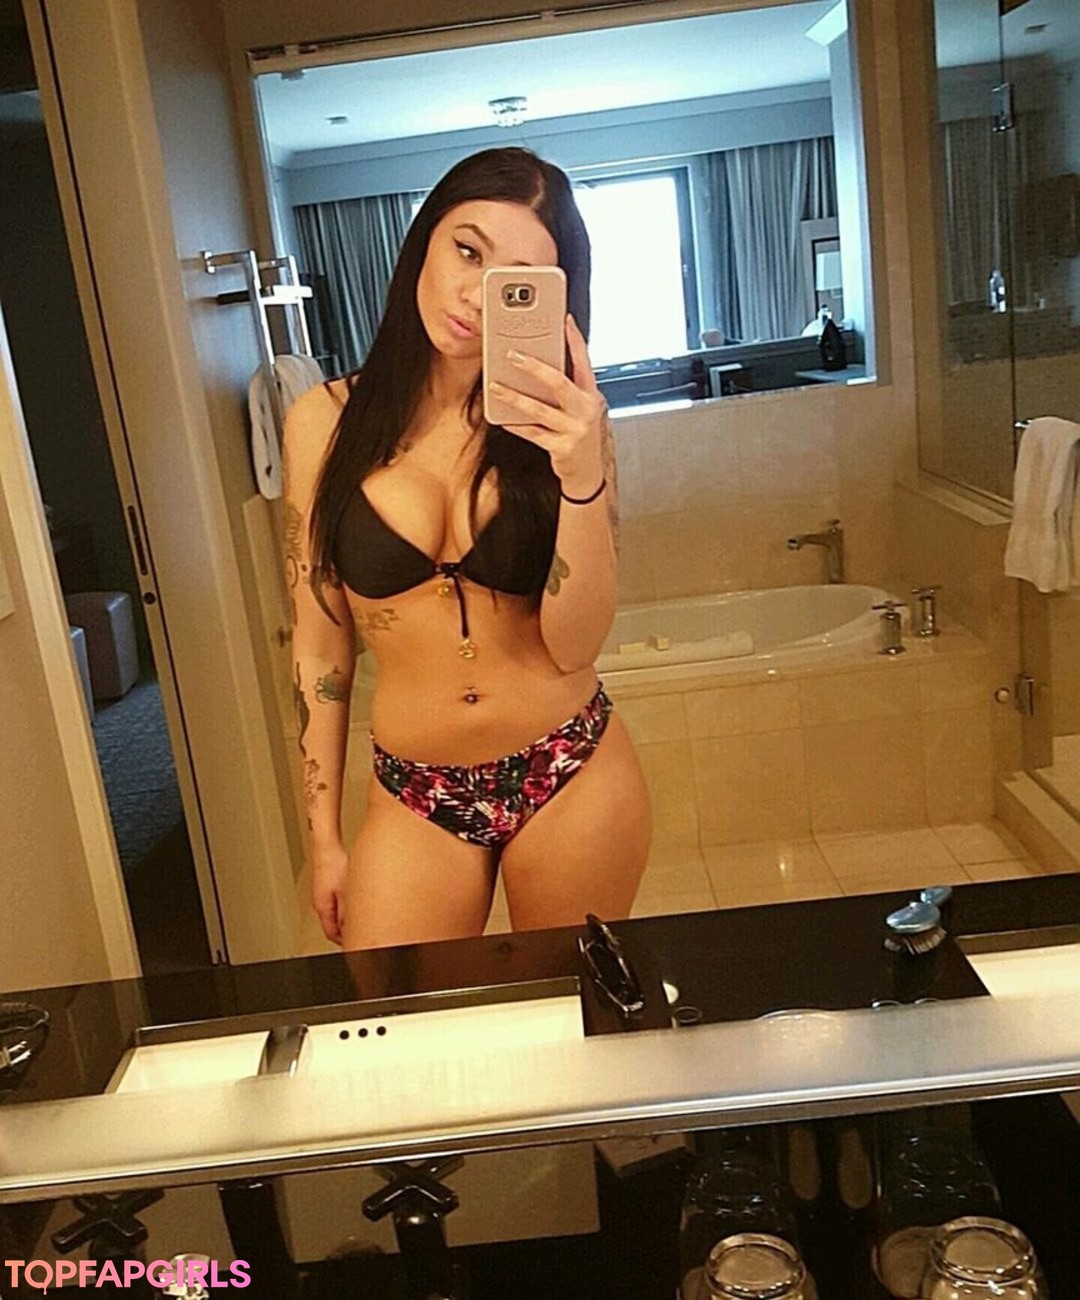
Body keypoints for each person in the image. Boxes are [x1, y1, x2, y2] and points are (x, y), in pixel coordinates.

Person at [284, 147, 651, 951]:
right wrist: (324, 840)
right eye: (468, 251)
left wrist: (581, 477)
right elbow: (319, 644)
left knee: (567, 1007)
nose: (473, 296)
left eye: (513, 282)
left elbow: (576, 643)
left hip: (567, 765)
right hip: (414, 790)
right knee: (398, 1015)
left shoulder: (568, 427)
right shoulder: (322, 423)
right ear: (425, 240)